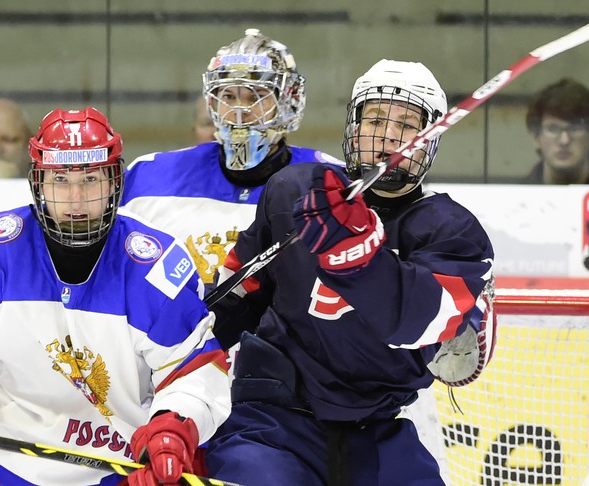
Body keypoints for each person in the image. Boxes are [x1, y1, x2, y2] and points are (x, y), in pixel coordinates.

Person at [0, 107, 230, 485]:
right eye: (59, 179)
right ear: (37, 183)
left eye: (90, 179)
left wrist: (174, 426)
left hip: (117, 466)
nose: (75, 200)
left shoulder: (154, 269)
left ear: (114, 181)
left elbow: (195, 371)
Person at [204, 59, 496, 485]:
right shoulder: (295, 191)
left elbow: (419, 322)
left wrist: (355, 249)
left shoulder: (451, 231)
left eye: (408, 124)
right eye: (375, 119)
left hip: (379, 433)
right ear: (353, 127)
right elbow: (231, 303)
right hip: (272, 424)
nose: (389, 136)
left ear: (429, 140)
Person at [121, 28, 343, 293]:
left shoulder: (330, 181)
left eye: (257, 97)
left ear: (288, 101)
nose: (240, 112)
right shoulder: (147, 177)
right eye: (228, 96)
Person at [521, 78, 589, 184]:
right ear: (536, 138)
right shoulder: (513, 197)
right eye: (553, 129)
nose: (564, 141)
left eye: (574, 128)